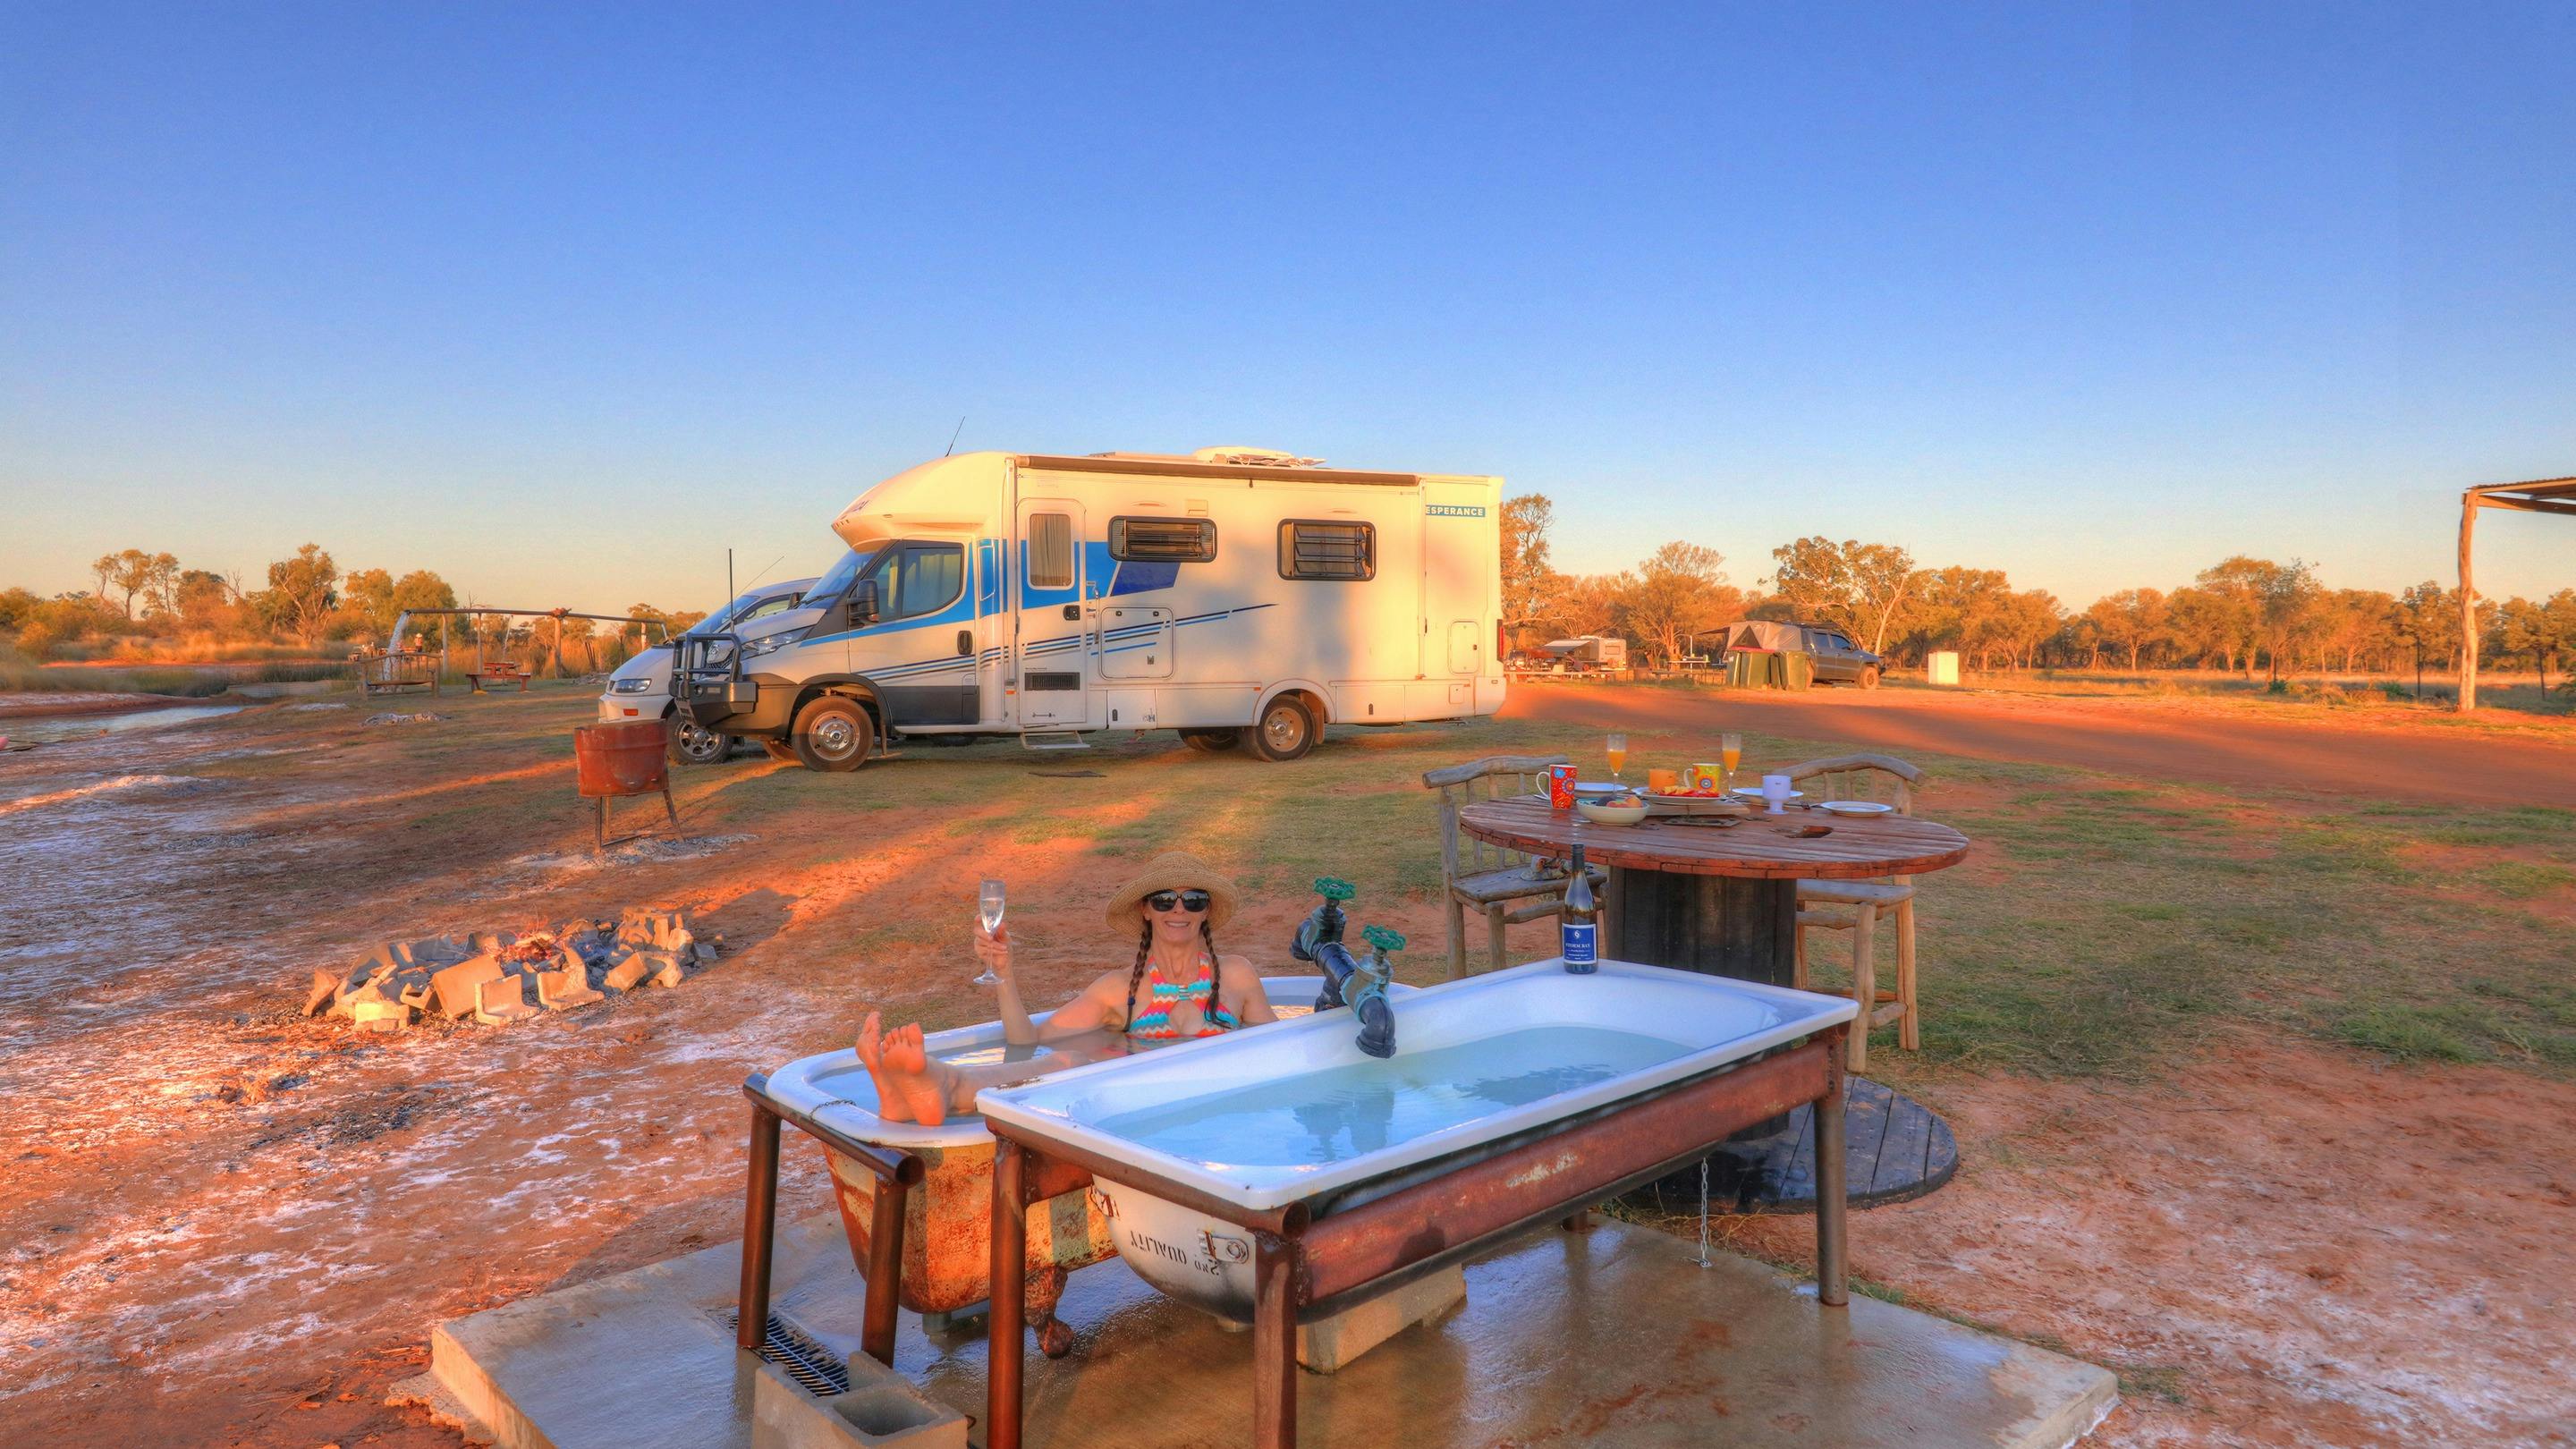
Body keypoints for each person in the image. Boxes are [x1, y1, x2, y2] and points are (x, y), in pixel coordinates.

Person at [853, 851, 1277, 1125]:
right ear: (1146, 911)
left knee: (1078, 1060)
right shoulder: (1119, 991)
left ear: (1206, 912)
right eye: (1165, 900)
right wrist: (1005, 972)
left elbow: (1283, 1050)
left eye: (1194, 900)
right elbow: (1028, 1040)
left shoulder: (1237, 976)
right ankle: (928, 1090)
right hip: (1149, 1108)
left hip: (1219, 1104)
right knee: (1069, 1059)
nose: (1179, 910)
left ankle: (938, 1089)